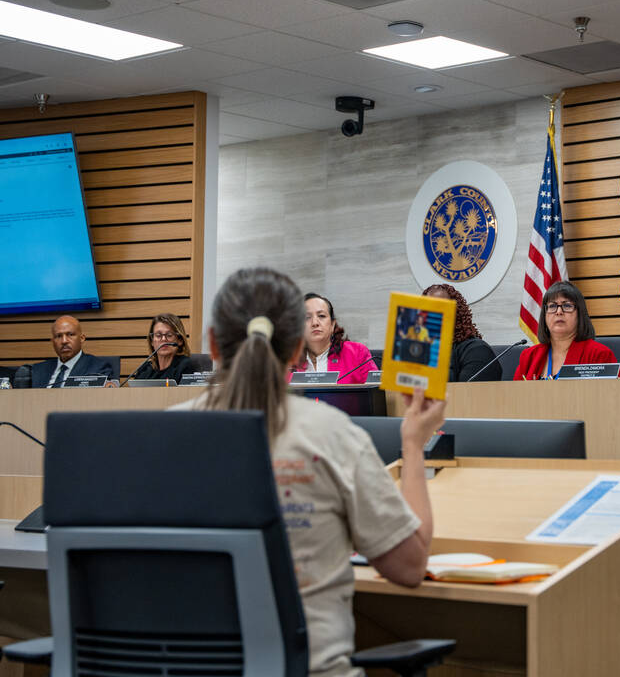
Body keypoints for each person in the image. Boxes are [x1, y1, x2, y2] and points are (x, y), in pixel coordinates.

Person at [170, 267, 446, 676]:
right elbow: (409, 568)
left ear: (211, 343)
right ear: (298, 350)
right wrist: (413, 443)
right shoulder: (332, 433)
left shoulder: (164, 432)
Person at [515, 281, 619, 380]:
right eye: (552, 306)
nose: (559, 312)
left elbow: (614, 393)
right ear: (544, 315)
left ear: (580, 314)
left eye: (567, 306)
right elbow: (515, 395)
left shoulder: (598, 354)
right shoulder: (529, 356)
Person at [422, 283, 499, 382]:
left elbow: (468, 395)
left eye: (440, 308)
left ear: (457, 313)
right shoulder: (420, 349)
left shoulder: (477, 350)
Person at [293, 293, 376, 384]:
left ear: (332, 324)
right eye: (307, 317)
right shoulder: (288, 359)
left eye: (321, 316)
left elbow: (378, 393)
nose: (315, 323)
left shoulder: (357, 353)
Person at [28, 315, 117, 387]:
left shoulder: (98, 368)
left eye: (70, 334)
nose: (64, 341)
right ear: (52, 341)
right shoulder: (38, 370)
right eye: (58, 336)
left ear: (82, 338)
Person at [131, 313, 198, 383]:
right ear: (152, 341)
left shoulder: (187, 366)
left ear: (180, 340)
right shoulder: (145, 369)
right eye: (158, 335)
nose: (163, 339)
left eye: (169, 335)